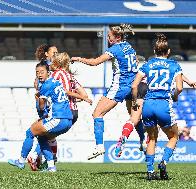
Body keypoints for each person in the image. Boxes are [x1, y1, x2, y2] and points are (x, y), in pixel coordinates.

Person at [71, 24, 138, 160]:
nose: (108, 39)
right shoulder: (129, 46)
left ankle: (99, 147)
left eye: (109, 36)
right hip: (133, 86)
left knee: (97, 113)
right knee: (134, 118)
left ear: (118, 37)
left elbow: (95, 62)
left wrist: (78, 59)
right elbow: (136, 61)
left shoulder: (115, 49)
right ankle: (143, 140)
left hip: (120, 86)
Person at [27, 52, 92, 171]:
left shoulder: (56, 75)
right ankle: (50, 162)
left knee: (42, 135)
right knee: (50, 136)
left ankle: (34, 156)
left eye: (52, 61)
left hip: (62, 111)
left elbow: (62, 90)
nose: (50, 63)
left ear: (56, 63)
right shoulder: (70, 76)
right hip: (74, 112)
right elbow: (84, 94)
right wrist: (77, 99)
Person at [131, 33, 183, 180]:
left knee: (152, 139)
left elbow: (134, 85)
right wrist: (175, 96)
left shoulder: (147, 65)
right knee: (173, 137)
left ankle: (150, 171)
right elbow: (179, 88)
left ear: (154, 51)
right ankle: (163, 162)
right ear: (168, 52)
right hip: (163, 104)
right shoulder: (174, 65)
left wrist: (135, 101)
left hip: (148, 104)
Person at [8, 61, 73, 172]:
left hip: (58, 118)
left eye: (42, 72)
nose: (39, 74)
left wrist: (38, 99)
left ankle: (21, 160)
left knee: (30, 132)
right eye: (37, 72)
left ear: (48, 72)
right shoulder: (56, 82)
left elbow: (42, 106)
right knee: (42, 137)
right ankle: (51, 167)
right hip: (68, 120)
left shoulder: (46, 85)